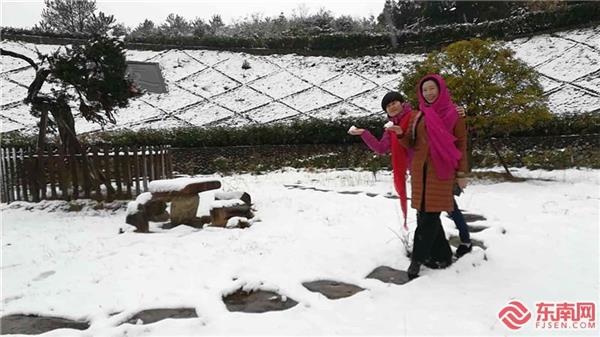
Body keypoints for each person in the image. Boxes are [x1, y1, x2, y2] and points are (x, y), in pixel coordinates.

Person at [349, 91, 472, 260]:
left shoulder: (417, 116)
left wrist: (456, 112)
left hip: (436, 168)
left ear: (402, 102)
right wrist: (364, 133)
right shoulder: (390, 128)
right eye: (388, 105)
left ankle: (462, 242)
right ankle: (435, 250)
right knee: (426, 212)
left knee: (448, 207)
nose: (392, 106)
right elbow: (381, 148)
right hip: (417, 174)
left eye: (394, 102)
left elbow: (438, 122)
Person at [386, 74, 468, 279]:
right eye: (425, 90)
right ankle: (442, 255)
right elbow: (412, 143)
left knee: (430, 217)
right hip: (420, 172)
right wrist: (400, 134)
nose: (429, 93)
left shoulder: (454, 114)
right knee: (423, 215)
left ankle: (417, 260)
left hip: (442, 172)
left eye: (432, 88)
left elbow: (462, 145)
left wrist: (462, 174)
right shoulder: (419, 116)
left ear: (440, 89)